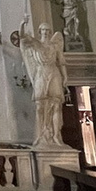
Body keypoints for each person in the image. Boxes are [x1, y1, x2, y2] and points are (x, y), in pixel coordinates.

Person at [17, 13, 68, 147]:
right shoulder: (34, 44)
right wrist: (23, 23)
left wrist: (65, 76)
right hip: (40, 73)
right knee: (40, 105)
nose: (45, 32)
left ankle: (56, 135)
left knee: (56, 104)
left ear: (50, 32)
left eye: (47, 30)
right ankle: (40, 135)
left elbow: (61, 61)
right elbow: (21, 36)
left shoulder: (55, 45)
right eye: (43, 30)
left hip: (54, 72)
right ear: (39, 32)